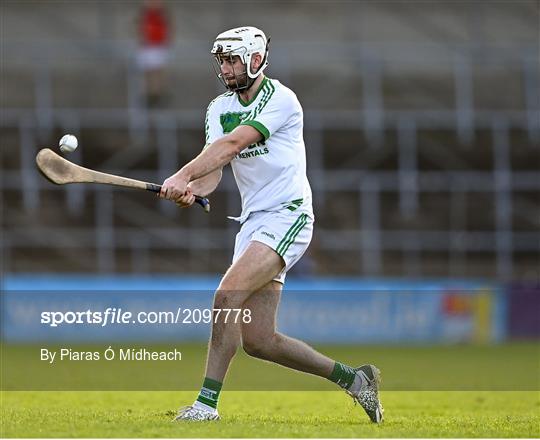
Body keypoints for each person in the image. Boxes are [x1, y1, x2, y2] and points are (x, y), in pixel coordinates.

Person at [159, 26, 384, 424]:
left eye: (232, 59)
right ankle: (356, 380)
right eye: (222, 61)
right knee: (260, 342)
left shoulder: (281, 99)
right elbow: (216, 166)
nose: (226, 68)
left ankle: (205, 405)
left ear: (256, 59)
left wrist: (180, 174)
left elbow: (234, 144)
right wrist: (191, 187)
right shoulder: (217, 109)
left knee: (226, 297)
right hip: (252, 223)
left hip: (289, 214)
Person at [136, 0, 171, 107]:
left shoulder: (160, 15)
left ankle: (157, 94)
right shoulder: (146, 16)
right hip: (148, 46)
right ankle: (149, 94)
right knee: (148, 72)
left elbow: (167, 30)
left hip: (158, 46)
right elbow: (140, 30)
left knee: (157, 72)